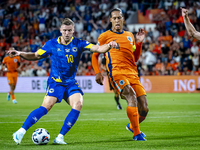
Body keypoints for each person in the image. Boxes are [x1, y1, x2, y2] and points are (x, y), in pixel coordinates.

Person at [8, 18, 117, 145]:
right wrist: (19, 53)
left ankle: (60, 137)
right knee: (46, 107)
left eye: (69, 30)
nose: (66, 33)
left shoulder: (79, 43)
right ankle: (20, 132)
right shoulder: (51, 44)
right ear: (60, 30)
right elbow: (36, 55)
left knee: (78, 104)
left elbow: (98, 48)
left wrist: (109, 45)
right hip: (56, 82)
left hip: (70, 83)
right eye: (64, 30)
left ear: (73, 30)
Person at [95, 8, 149, 141]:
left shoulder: (130, 35)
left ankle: (132, 126)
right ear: (110, 20)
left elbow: (134, 58)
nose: (117, 20)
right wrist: (98, 72)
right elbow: (95, 54)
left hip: (132, 73)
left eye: (119, 17)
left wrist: (139, 42)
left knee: (145, 109)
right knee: (130, 95)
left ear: (123, 19)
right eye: (114, 18)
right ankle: (137, 134)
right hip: (116, 73)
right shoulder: (104, 36)